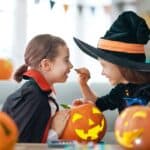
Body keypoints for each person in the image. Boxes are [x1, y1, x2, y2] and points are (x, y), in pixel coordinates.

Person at [73, 11, 150, 113]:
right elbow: (98, 105)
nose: (102, 72)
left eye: (104, 65)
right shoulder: (121, 89)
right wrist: (83, 84)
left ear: (121, 65)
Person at [2, 34, 73, 143]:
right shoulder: (34, 96)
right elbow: (22, 143)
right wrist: (55, 132)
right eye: (66, 60)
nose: (71, 66)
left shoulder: (40, 93)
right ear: (46, 64)